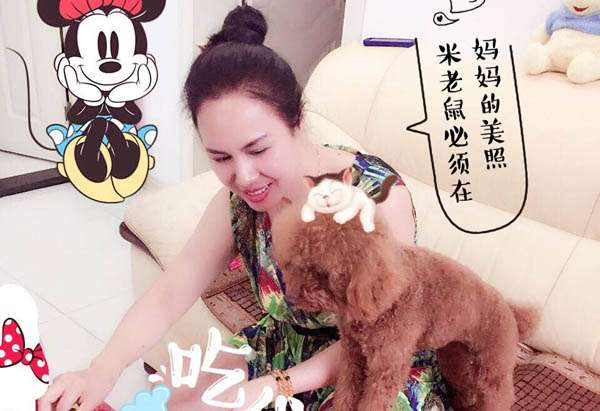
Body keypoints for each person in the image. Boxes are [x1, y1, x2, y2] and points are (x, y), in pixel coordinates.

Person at [39, 5, 452, 411]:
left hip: (372, 362)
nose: (245, 176)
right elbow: (171, 293)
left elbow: (378, 336)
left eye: (258, 149)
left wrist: (276, 386)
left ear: (297, 120)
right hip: (284, 346)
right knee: (174, 397)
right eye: (221, 158)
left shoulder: (378, 196)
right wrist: (100, 371)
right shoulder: (240, 204)